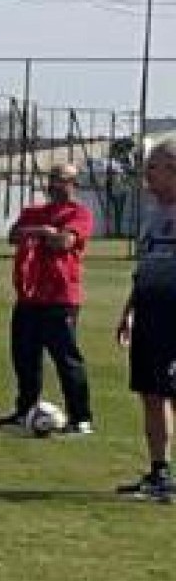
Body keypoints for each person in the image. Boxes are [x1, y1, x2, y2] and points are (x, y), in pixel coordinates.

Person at [6, 163, 95, 432]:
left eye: (61, 180)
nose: (54, 184)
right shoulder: (33, 211)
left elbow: (64, 242)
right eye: (52, 179)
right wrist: (44, 230)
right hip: (29, 296)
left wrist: (41, 232)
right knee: (24, 358)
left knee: (66, 360)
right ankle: (25, 410)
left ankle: (80, 417)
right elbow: (13, 235)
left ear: (72, 184)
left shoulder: (80, 213)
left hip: (61, 298)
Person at [119, 141, 176, 500]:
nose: (146, 176)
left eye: (152, 168)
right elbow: (146, 270)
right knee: (152, 394)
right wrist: (129, 310)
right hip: (150, 314)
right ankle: (159, 474)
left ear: (173, 169)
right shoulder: (153, 213)